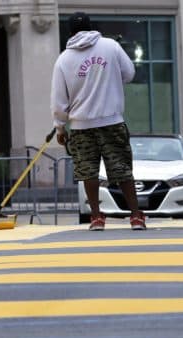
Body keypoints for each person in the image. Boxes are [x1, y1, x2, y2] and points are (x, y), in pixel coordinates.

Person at [51, 11, 146, 231]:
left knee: (88, 172)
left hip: (82, 125)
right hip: (112, 120)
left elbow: (58, 98)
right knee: (122, 169)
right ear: (90, 26)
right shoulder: (110, 46)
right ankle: (135, 216)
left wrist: (59, 127)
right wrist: (111, 79)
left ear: (70, 31)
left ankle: (96, 217)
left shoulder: (63, 59)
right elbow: (129, 73)